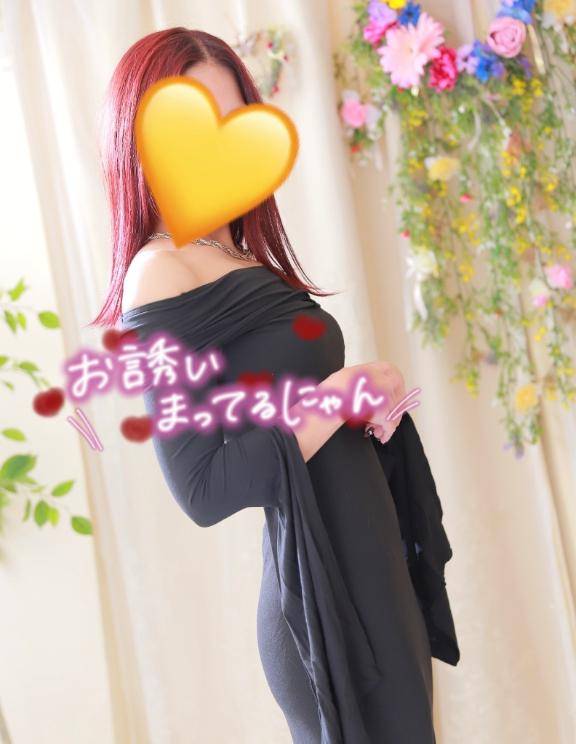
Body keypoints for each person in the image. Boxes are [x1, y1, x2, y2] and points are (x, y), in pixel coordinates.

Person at [92, 27, 460, 744]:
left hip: (373, 567)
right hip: (325, 599)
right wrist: (335, 398)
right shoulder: (160, 271)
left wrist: (367, 387)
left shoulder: (234, 253)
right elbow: (202, 487)